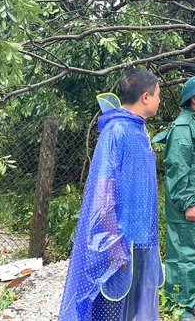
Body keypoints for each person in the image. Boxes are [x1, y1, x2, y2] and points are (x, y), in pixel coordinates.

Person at [59, 68, 162, 321]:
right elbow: (103, 194)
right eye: (159, 95)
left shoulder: (139, 131)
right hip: (118, 242)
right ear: (145, 97)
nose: (161, 100)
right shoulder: (116, 131)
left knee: (132, 306)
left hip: (139, 240)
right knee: (109, 308)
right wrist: (114, 245)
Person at [157, 76, 195, 320]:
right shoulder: (184, 127)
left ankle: (183, 302)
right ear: (194, 99)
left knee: (189, 256)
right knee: (185, 256)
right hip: (190, 206)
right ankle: (180, 308)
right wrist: (188, 203)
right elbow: (178, 168)